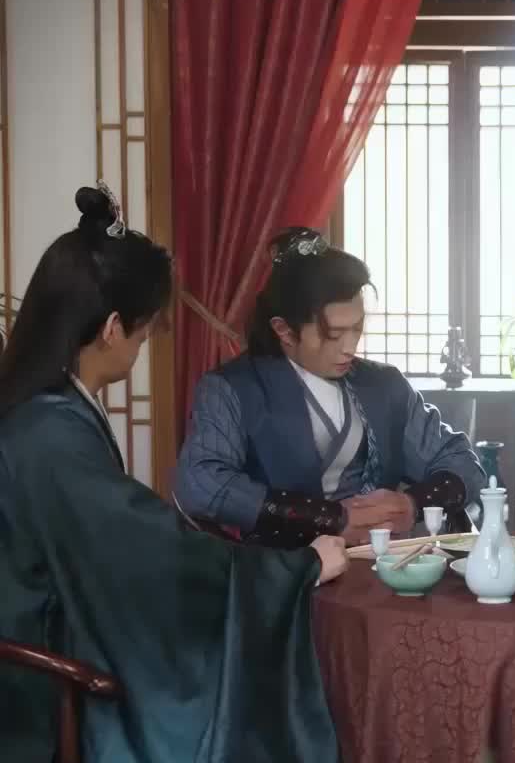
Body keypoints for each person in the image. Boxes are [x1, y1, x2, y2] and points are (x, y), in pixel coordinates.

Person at [0, 187, 347, 763]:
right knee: (224, 736)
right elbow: (144, 551)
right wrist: (293, 571)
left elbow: (131, 544)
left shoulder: (46, 410)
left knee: (204, 691)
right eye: (148, 330)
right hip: (32, 691)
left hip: (46, 645)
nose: (147, 345)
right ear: (112, 327)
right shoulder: (47, 432)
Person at [174, 229, 486, 546]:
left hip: (380, 560)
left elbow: (461, 460)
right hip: (282, 566)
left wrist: (411, 504)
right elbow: (200, 483)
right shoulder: (232, 389)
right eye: (334, 335)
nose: (349, 347)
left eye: (357, 329)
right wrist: (330, 518)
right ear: (284, 330)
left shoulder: (384, 385)